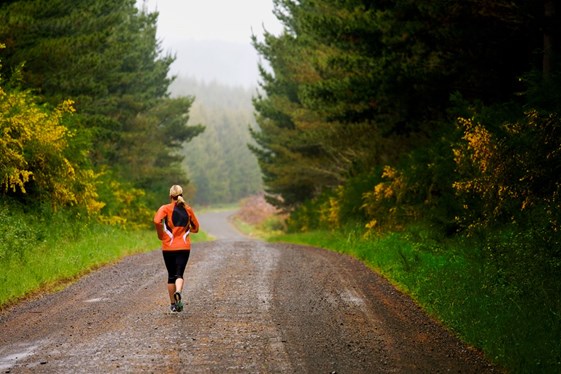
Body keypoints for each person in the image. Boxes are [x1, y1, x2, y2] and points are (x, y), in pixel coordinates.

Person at [153, 185, 199, 312]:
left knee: (171, 276)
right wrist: (186, 229)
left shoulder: (165, 208)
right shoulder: (188, 209)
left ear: (170, 196)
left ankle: (173, 305)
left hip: (168, 247)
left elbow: (157, 221)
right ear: (181, 195)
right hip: (184, 247)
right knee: (180, 273)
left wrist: (160, 234)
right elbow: (196, 228)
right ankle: (178, 291)